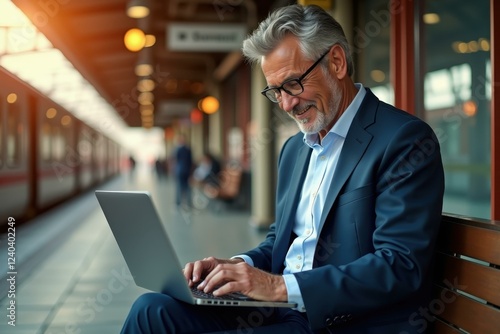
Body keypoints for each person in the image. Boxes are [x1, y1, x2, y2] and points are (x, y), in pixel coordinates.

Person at [120, 4, 444, 333]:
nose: (287, 104)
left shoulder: (402, 140)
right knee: (151, 309)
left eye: (293, 84)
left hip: (340, 321)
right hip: (280, 310)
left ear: (336, 62)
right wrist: (238, 267)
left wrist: (277, 288)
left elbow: (401, 265)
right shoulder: (294, 150)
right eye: (276, 91)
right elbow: (282, 240)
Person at [173, 134, 193, 208]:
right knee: (181, 187)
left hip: (184, 170)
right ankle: (182, 202)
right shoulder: (182, 149)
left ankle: (183, 202)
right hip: (182, 170)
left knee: (184, 187)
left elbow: (190, 161)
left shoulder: (180, 149)